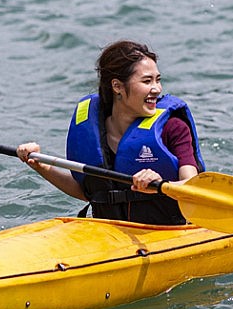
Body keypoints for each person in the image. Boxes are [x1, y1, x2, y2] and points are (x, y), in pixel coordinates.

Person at [16, 40, 206, 225]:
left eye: (158, 80)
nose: (157, 89)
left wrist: (161, 185)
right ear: (117, 86)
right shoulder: (95, 131)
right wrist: (39, 164)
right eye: (147, 81)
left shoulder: (173, 128)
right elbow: (87, 192)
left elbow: (192, 187)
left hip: (167, 231)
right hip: (109, 232)